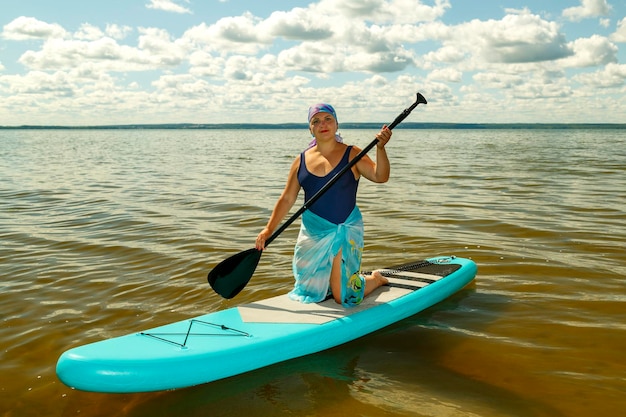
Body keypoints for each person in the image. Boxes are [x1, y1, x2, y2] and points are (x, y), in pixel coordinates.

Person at [255, 103, 390, 307]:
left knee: (343, 296)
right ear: (310, 128)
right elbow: (287, 199)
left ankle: (375, 279)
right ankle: (330, 280)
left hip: (343, 229)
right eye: (316, 121)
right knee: (308, 291)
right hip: (313, 231)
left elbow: (380, 176)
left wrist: (380, 148)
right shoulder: (300, 161)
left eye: (328, 119)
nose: (322, 124)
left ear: (336, 124)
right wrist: (268, 228)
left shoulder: (352, 154)